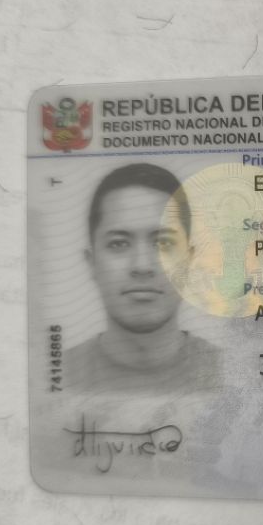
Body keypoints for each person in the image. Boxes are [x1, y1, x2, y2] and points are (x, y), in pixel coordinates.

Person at [63, 163, 222, 400]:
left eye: (163, 243)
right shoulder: (54, 376)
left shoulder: (236, 375)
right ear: (92, 262)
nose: (142, 266)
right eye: (119, 243)